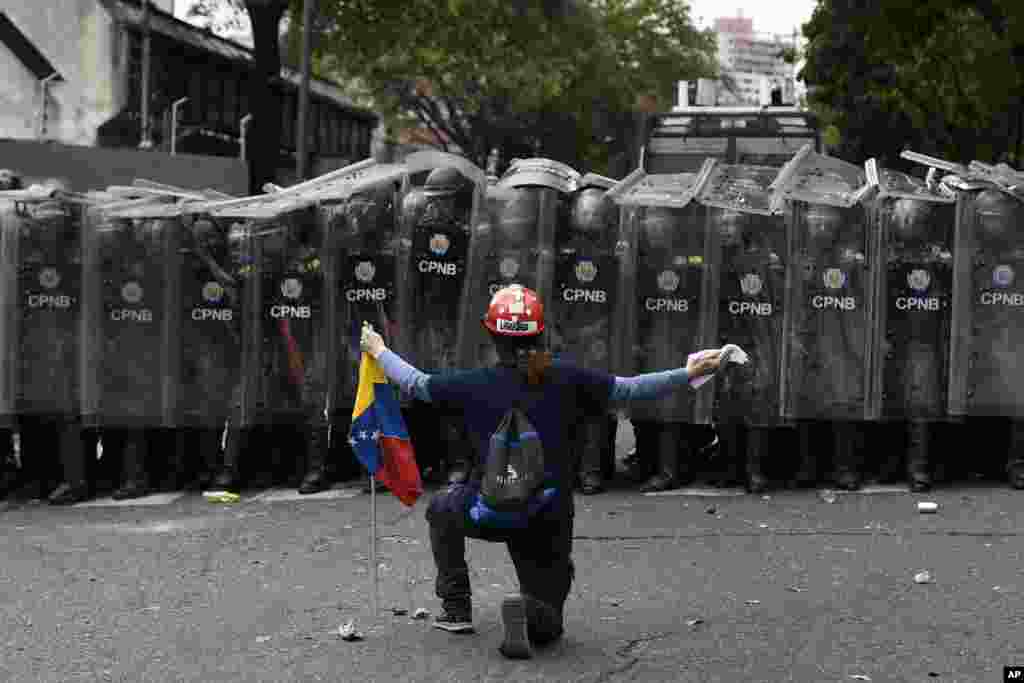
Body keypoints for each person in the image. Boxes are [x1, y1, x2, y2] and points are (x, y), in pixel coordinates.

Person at [359, 284, 722, 659]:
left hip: (489, 509)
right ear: (541, 332)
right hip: (547, 516)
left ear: (490, 333)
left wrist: (378, 349)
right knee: (550, 621)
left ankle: (455, 608)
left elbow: (416, 383)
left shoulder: (470, 385)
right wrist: (688, 372)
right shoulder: (568, 379)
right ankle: (530, 611)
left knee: (442, 508)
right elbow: (631, 390)